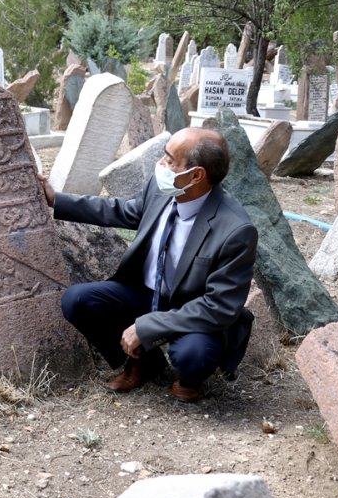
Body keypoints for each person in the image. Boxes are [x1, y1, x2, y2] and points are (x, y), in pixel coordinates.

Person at [38, 127, 258, 402]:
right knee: (78, 300)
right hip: (146, 293)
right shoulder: (163, 187)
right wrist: (56, 200)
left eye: (169, 160)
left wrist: (150, 325)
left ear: (196, 175)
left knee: (193, 355)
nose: (160, 165)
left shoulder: (235, 229)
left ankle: (189, 380)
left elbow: (219, 306)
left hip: (194, 310)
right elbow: (123, 211)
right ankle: (143, 363)